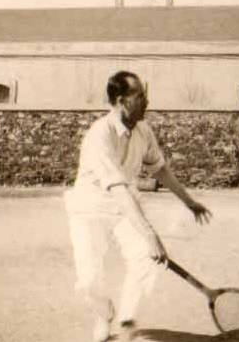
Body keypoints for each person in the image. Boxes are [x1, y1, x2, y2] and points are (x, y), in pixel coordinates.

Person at [64, 70, 213, 342]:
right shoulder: (100, 134)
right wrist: (151, 235)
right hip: (89, 208)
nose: (147, 101)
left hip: (125, 206)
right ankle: (103, 314)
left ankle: (126, 319)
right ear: (121, 100)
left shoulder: (144, 130)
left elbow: (160, 170)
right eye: (140, 96)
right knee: (88, 280)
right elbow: (118, 189)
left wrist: (190, 202)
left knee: (146, 257)